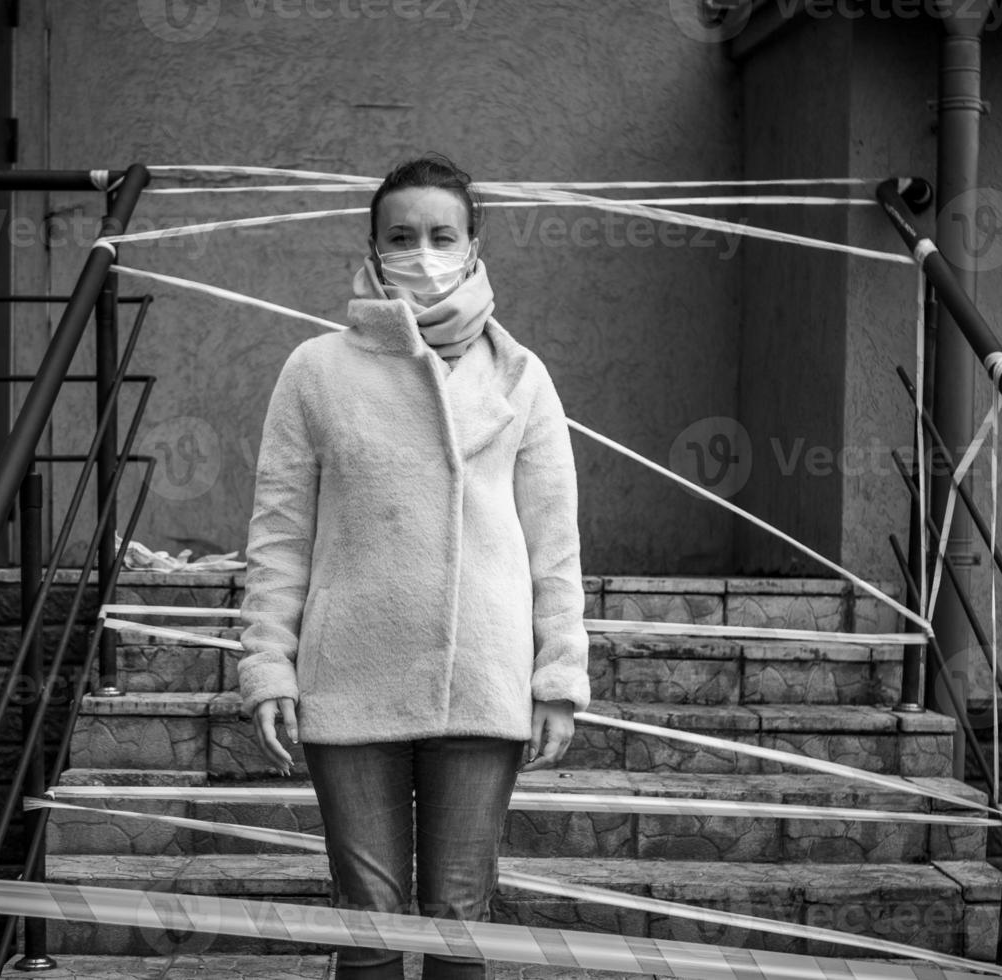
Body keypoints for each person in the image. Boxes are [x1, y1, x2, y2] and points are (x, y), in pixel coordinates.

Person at [237, 153, 591, 980]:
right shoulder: (315, 371)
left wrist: (559, 679)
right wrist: (269, 666)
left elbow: (555, 540)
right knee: (367, 922)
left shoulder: (521, 376)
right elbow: (279, 534)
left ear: (473, 247)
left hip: (483, 679)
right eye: (402, 235)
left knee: (462, 917)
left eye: (441, 234)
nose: (422, 251)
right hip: (349, 677)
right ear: (373, 244)